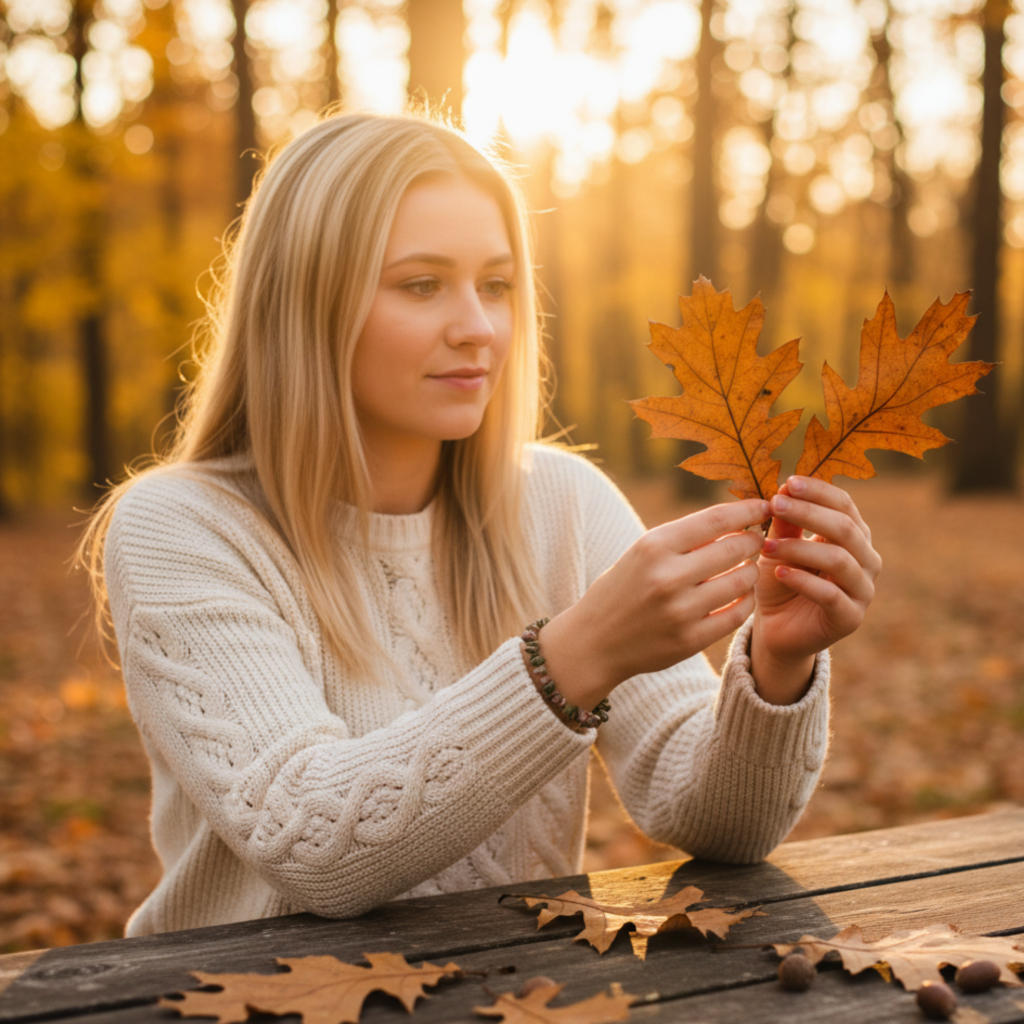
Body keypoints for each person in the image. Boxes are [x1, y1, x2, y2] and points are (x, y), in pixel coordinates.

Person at [79, 112, 881, 938]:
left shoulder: (563, 503)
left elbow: (718, 823)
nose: (479, 327)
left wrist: (778, 662)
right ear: (307, 304)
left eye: (496, 285)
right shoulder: (184, 526)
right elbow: (310, 841)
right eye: (422, 284)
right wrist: (573, 659)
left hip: (509, 995)